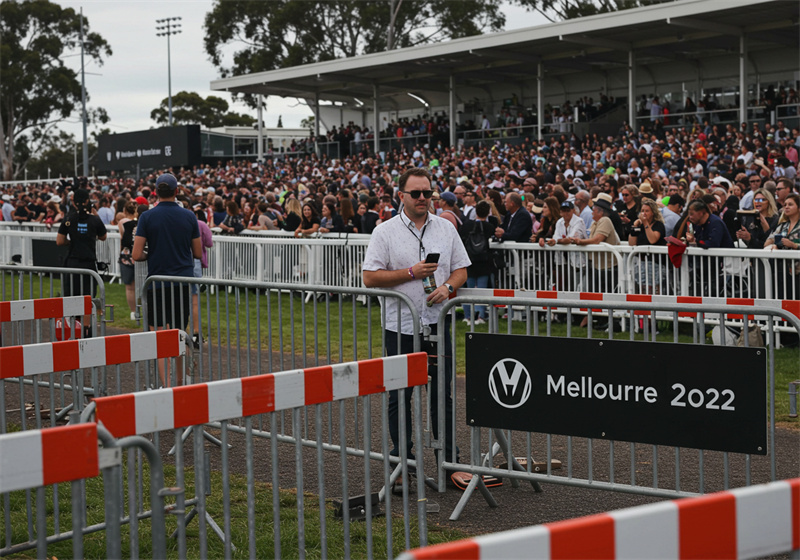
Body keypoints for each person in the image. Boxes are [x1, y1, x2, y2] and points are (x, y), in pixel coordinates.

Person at [362, 167, 470, 473]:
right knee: (399, 395)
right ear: (402, 196)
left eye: (428, 193)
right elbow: (369, 277)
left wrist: (448, 287)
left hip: (438, 322)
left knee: (442, 394)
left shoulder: (446, 228)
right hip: (400, 326)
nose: (423, 198)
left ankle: (449, 461)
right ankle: (402, 464)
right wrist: (411, 273)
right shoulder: (384, 231)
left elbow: (461, 268)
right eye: (416, 193)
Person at [132, 173, 202, 387]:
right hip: (181, 283)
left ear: (156, 192)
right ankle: (181, 383)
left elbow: (136, 255)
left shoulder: (147, 217)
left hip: (157, 284)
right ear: (176, 191)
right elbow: (198, 252)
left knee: (160, 338)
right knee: (180, 335)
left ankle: (166, 384)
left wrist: (150, 255)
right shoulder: (189, 216)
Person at [56, 188, 107, 337]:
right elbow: (103, 237)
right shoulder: (94, 220)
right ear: (87, 201)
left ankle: (72, 329)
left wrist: (71, 242)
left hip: (72, 263)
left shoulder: (68, 219)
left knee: (71, 296)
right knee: (88, 298)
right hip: (89, 264)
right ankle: (86, 330)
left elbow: (60, 241)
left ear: (74, 202)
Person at [458, 200, 496, 324]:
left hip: (469, 260)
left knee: (468, 289)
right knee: (482, 289)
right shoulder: (490, 227)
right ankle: (480, 315)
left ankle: (468, 316)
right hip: (484, 261)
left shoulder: (467, 225)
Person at [628, 198, 667, 294]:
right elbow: (632, 243)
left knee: (653, 288)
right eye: (642, 211)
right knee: (642, 288)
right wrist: (634, 227)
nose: (644, 213)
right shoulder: (640, 225)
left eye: (647, 211)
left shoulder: (659, 225)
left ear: (653, 212)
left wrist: (645, 223)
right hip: (641, 262)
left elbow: (653, 239)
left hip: (655, 263)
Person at [117, 201, 139, 319]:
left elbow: (122, 236)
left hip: (126, 255)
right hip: (138, 254)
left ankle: (133, 311)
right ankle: (140, 309)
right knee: (139, 285)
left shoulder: (122, 222)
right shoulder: (140, 222)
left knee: (129, 287)